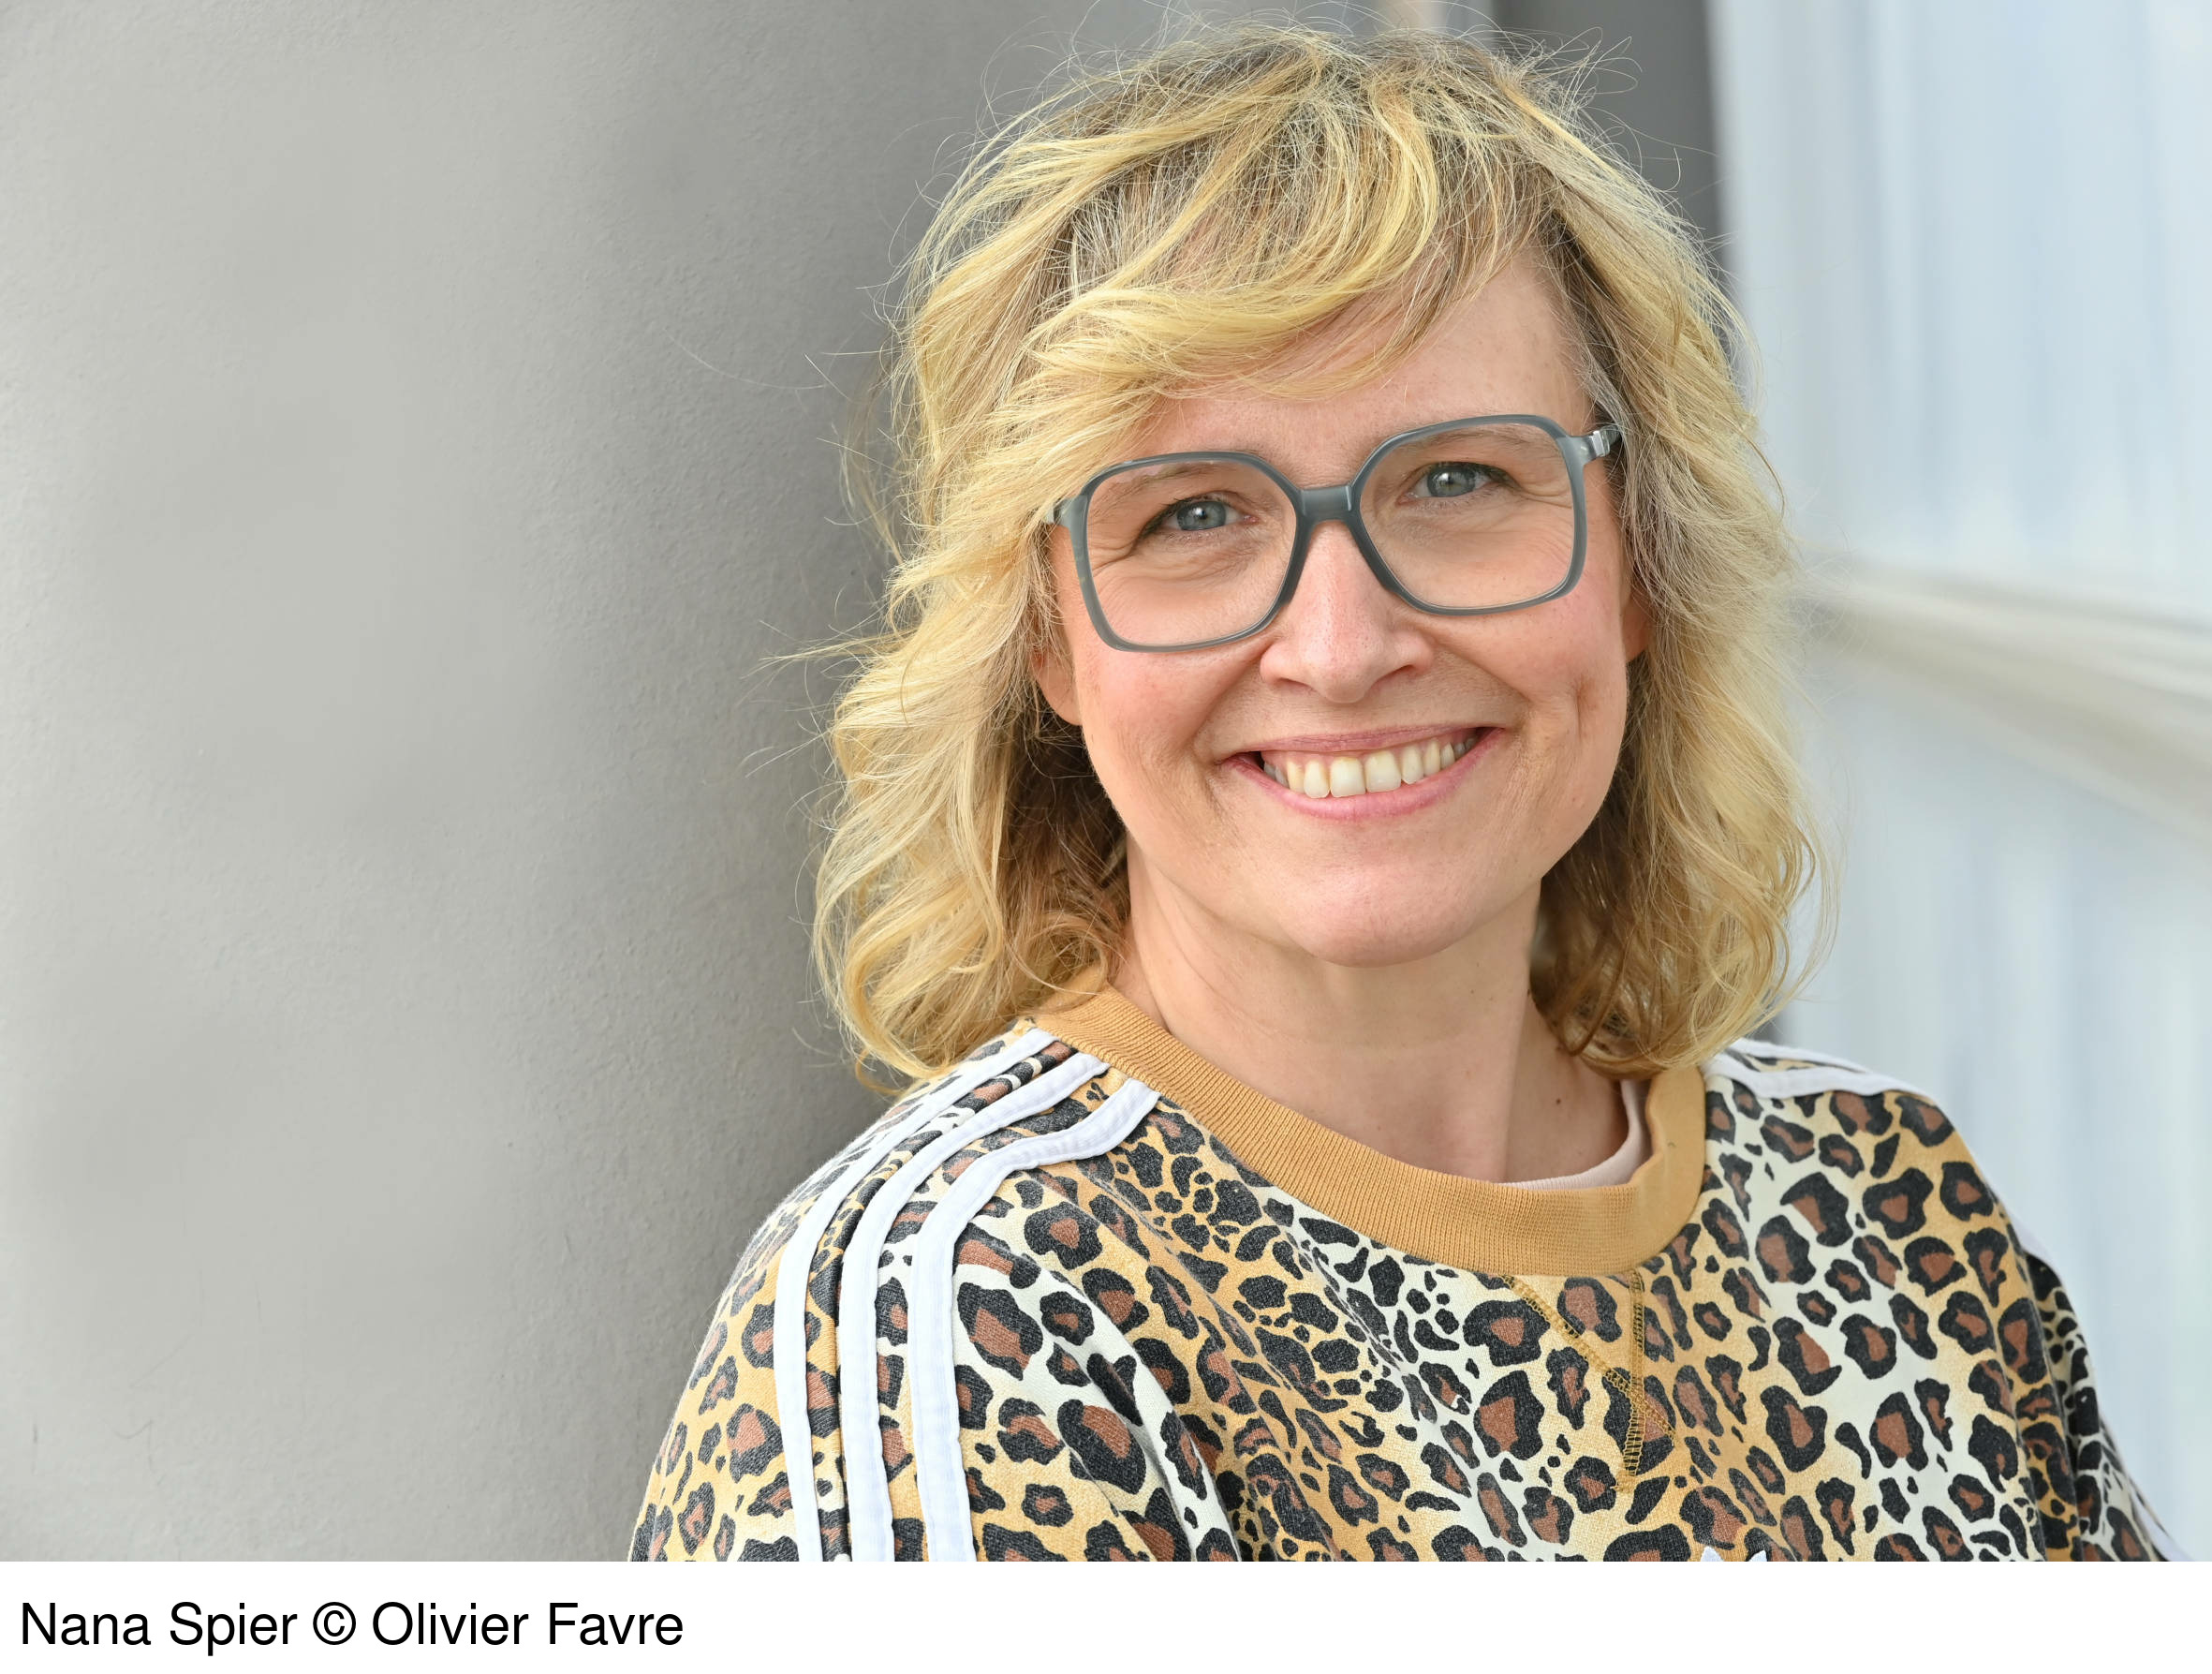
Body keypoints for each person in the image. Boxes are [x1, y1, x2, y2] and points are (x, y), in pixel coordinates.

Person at [632, 24, 2175, 1562]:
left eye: (1454, 481)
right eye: (1193, 516)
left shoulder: (1885, 1203)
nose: (1341, 646)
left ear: (1638, 558)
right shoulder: (943, 1328)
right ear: (1047, 638)